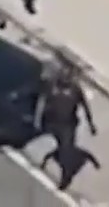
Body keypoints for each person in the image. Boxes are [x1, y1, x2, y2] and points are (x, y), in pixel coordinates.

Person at [36, 59, 99, 189]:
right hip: (52, 121)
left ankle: (65, 178)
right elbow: (41, 101)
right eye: (63, 75)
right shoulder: (52, 85)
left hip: (68, 125)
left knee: (66, 151)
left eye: (68, 76)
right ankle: (51, 158)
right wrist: (38, 119)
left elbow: (85, 106)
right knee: (61, 147)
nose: (65, 78)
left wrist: (91, 124)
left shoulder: (75, 90)